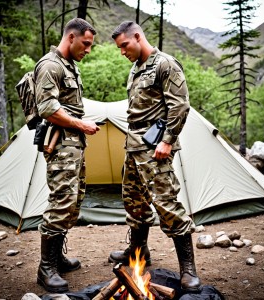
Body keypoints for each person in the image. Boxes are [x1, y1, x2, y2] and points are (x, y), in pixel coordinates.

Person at [108, 21, 201, 292]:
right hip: (134, 147)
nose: (122, 51)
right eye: (119, 48)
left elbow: (180, 105)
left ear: (138, 37)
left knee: (167, 205)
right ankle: (139, 252)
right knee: (134, 203)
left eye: (124, 45)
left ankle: (188, 269)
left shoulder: (165, 64)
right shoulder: (135, 68)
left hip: (155, 148)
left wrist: (167, 141)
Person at [34, 18, 101, 293]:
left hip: (73, 145)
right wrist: (81, 124)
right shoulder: (50, 65)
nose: (88, 50)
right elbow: (48, 108)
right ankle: (45, 268)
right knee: (61, 201)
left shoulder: (69, 66)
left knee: (72, 202)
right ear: (71, 37)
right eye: (85, 44)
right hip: (60, 145)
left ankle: (57, 258)